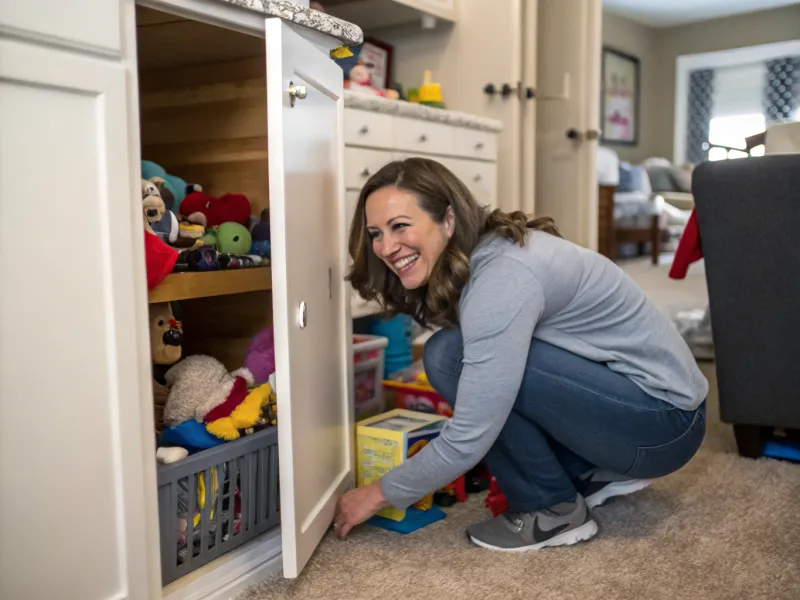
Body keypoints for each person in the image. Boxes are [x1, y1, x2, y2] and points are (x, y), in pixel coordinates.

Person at [334, 157, 708, 551]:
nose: (386, 247)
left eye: (400, 226)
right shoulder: (488, 253)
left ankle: (552, 512)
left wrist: (377, 493)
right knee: (456, 353)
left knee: (450, 357)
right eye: (376, 233)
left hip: (665, 425)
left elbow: (470, 435)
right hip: (650, 408)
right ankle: (589, 470)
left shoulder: (501, 278)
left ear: (448, 219)